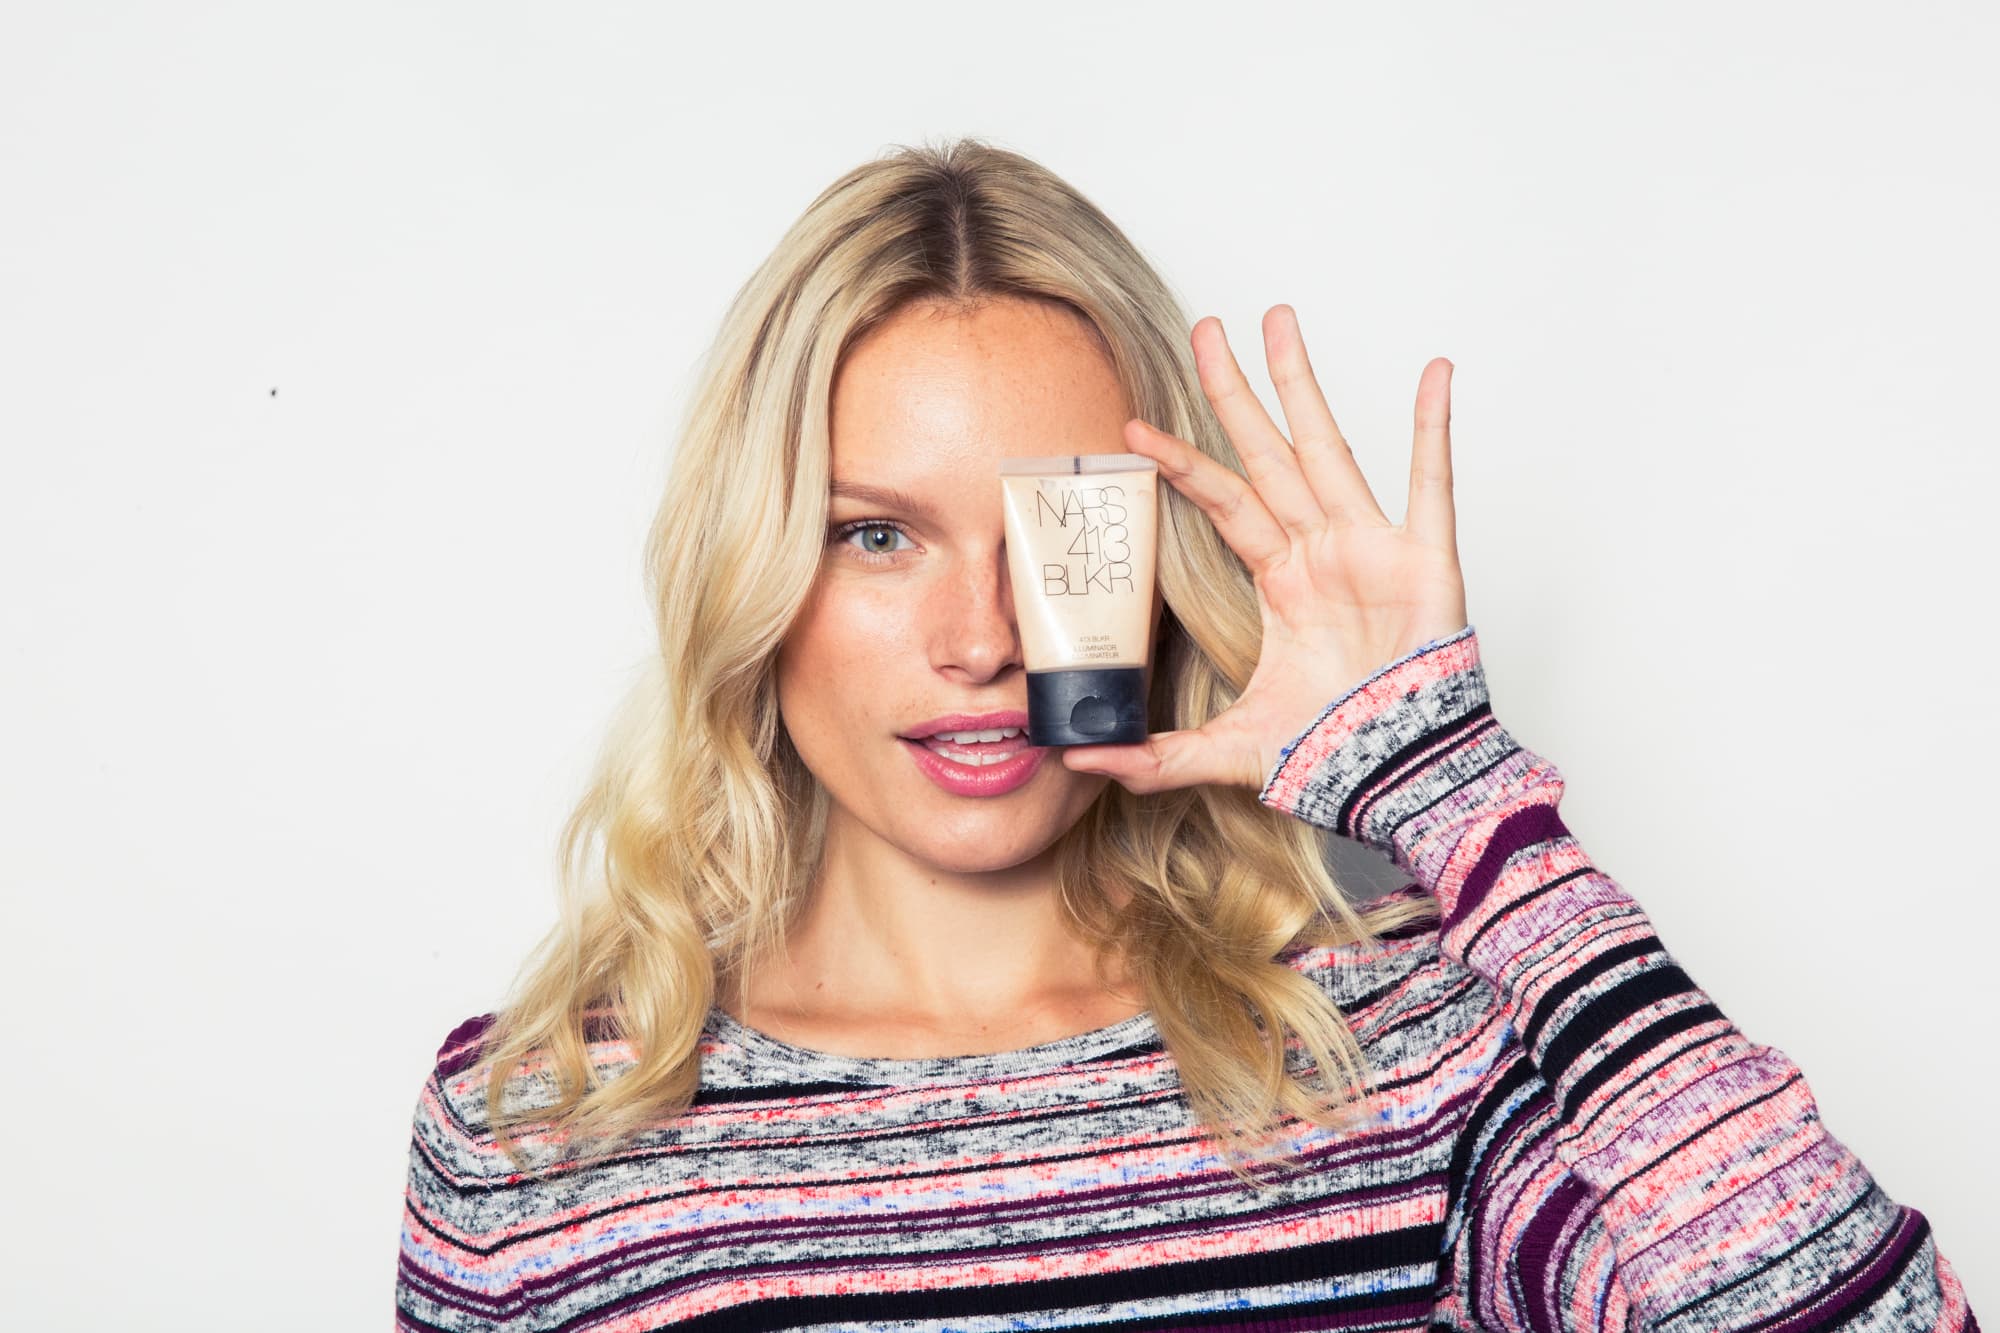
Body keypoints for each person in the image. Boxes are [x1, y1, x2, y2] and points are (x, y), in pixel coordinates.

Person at [393, 137, 1977, 1331]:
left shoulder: (1402, 1046)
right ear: (755, 572)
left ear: (1165, 562)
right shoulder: (536, 1130)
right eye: (876, 534)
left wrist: (1460, 792)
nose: (982, 638)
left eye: (1067, 532)